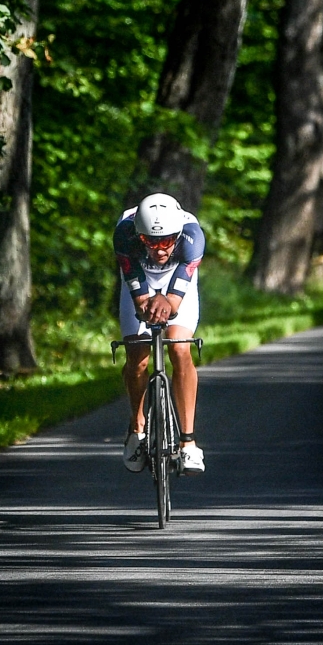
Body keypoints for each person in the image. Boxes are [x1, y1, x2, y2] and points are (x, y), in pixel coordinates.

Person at [114, 193, 205, 475]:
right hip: (141, 277)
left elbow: (177, 298)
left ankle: (188, 442)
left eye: (166, 241)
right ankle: (137, 428)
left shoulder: (191, 236)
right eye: (151, 242)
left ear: (177, 235)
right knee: (138, 357)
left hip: (176, 280)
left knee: (179, 347)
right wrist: (144, 304)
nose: (159, 249)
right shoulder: (125, 234)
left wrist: (168, 302)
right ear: (138, 235)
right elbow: (136, 290)